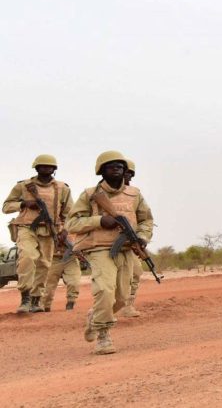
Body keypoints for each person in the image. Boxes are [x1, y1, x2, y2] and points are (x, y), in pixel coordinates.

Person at [66, 151, 154, 355]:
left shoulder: (135, 194)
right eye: (111, 166)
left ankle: (95, 317)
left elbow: (146, 220)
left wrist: (142, 237)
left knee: (122, 298)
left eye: (120, 166)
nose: (116, 169)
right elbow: (72, 223)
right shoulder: (90, 195)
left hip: (126, 249)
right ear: (101, 170)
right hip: (99, 249)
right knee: (105, 290)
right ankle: (103, 335)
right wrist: (99, 221)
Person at [3, 154, 73, 314]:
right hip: (26, 227)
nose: (46, 169)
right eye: (42, 166)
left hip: (50, 230)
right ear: (36, 168)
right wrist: (24, 203)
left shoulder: (63, 188)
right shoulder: (23, 186)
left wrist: (65, 230)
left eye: (49, 166)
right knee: (27, 257)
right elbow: (6, 207)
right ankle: (25, 298)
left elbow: (70, 213)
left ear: (54, 169)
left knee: (44, 264)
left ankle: (36, 300)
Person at [115, 159, 143, 318]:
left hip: (129, 242)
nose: (128, 176)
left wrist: (141, 237)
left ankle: (127, 306)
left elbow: (143, 217)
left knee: (136, 272)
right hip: (106, 243)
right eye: (126, 173)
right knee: (110, 279)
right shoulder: (102, 192)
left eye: (130, 174)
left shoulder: (134, 194)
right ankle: (103, 309)